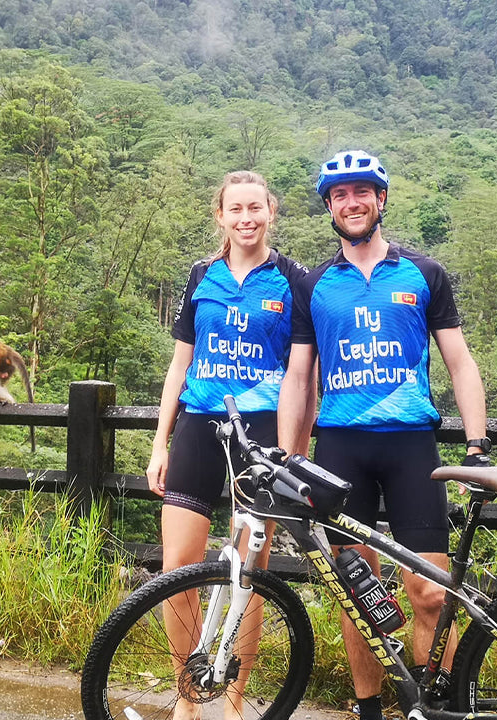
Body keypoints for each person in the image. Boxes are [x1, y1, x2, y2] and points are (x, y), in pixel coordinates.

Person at [277, 151, 490, 720]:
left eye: (362, 192)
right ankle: (368, 707)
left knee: (431, 593)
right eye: (341, 195)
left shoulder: (424, 273)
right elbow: (298, 377)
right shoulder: (315, 285)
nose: (353, 203)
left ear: (381, 199)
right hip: (341, 447)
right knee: (357, 594)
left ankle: (436, 706)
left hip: (410, 447)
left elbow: (461, 364)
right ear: (328, 206)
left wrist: (476, 443)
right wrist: (286, 458)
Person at [146, 170, 312, 720]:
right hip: (199, 424)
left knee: (249, 574)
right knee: (177, 568)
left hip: (260, 434)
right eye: (235, 209)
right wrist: (159, 443)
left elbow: (301, 376)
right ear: (220, 215)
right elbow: (179, 365)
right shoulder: (201, 275)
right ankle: (187, 695)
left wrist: (292, 450)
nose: (246, 218)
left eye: (255, 208)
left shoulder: (293, 279)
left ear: (272, 213)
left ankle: (235, 701)